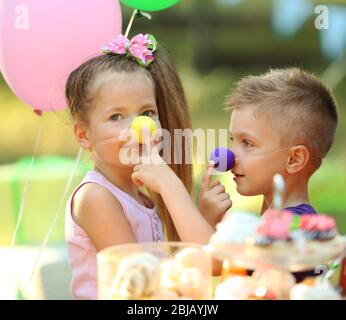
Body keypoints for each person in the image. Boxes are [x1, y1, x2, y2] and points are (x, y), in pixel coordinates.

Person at [64, 34, 228, 300]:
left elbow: (211, 264)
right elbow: (144, 287)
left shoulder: (141, 194)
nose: (140, 128)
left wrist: (203, 217)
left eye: (147, 113)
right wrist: (170, 185)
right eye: (116, 116)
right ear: (84, 135)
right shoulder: (95, 198)